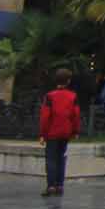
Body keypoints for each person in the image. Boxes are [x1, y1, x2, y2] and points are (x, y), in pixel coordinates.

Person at [38, 68, 82, 198]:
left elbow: (45, 116)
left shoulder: (50, 96)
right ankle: (59, 185)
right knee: (61, 157)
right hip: (66, 132)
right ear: (68, 81)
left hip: (52, 132)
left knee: (51, 159)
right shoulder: (73, 96)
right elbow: (76, 115)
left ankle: (51, 185)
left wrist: (42, 134)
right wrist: (75, 130)